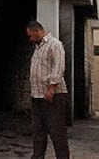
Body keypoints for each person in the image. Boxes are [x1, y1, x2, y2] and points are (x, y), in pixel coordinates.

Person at [26, 20, 70, 159]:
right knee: (38, 132)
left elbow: (58, 68)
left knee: (57, 133)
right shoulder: (38, 48)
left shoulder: (54, 45)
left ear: (36, 31)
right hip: (37, 96)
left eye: (30, 36)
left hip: (52, 96)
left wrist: (51, 89)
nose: (30, 39)